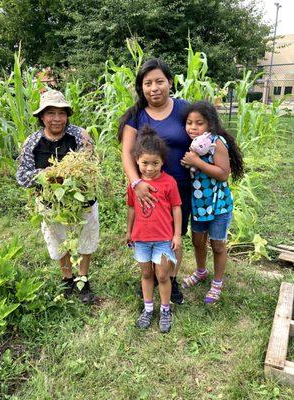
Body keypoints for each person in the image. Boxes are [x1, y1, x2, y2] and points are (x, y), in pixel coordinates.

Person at [118, 58, 191, 304]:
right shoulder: (136, 115)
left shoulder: (183, 109)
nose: (154, 88)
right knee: (150, 235)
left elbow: (203, 135)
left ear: (170, 82)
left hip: (179, 186)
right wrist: (136, 184)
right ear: (142, 87)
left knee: (174, 235)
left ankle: (170, 279)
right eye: (147, 83)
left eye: (160, 81)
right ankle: (150, 277)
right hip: (146, 190)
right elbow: (127, 153)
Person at [16, 90, 99, 304]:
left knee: (85, 238)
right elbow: (23, 177)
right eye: (50, 113)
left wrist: (70, 176)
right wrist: (47, 175)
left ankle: (83, 279)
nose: (57, 119)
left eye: (61, 113)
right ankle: (67, 279)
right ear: (41, 117)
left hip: (82, 200)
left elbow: (90, 166)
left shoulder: (80, 136)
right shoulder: (33, 142)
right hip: (50, 203)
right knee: (58, 238)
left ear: (67, 115)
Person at [181, 101, 244, 304]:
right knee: (197, 241)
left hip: (219, 206)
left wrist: (196, 162)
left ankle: (217, 282)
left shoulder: (217, 143)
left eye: (198, 123)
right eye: (189, 122)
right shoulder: (192, 144)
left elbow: (223, 174)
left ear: (210, 124)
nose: (192, 127)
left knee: (217, 245)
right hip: (199, 205)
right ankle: (201, 272)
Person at [126, 125, 182, 333]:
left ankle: (165, 309)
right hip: (141, 239)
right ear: (137, 161)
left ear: (162, 162)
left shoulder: (169, 183)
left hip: (163, 240)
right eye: (145, 163)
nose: (150, 168)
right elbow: (131, 208)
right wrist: (128, 231)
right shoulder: (134, 185)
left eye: (155, 163)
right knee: (146, 274)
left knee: (162, 275)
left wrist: (177, 235)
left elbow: (176, 208)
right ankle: (148, 309)